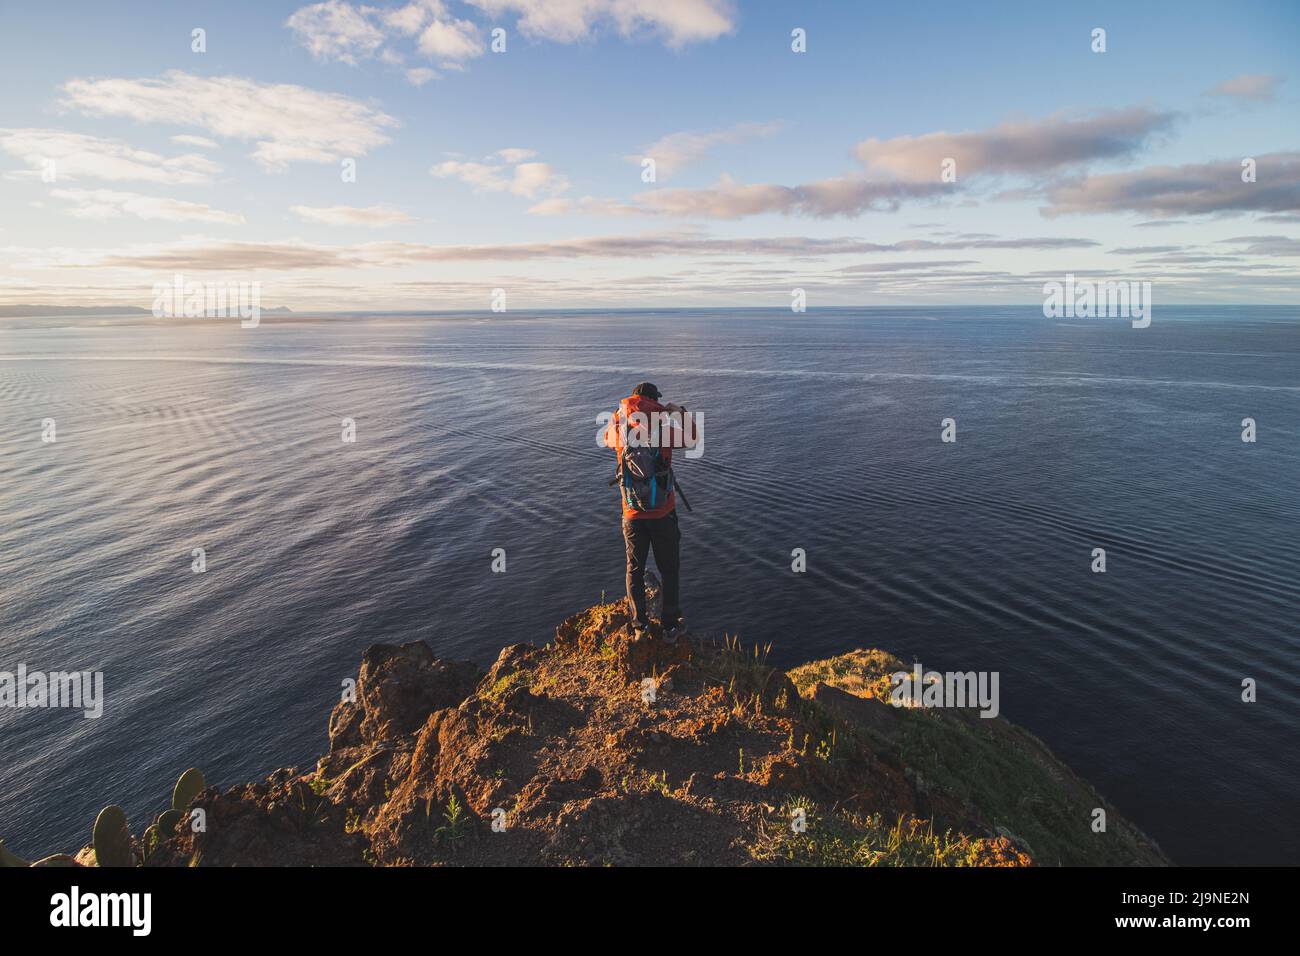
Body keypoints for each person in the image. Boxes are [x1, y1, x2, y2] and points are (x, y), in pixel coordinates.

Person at [601, 382, 693, 644]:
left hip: (631, 514)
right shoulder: (663, 427)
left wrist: (616, 417)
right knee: (669, 569)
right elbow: (694, 437)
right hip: (663, 513)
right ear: (654, 400)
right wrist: (679, 412)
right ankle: (670, 627)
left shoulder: (621, 426)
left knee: (635, 569)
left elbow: (608, 440)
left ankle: (639, 626)